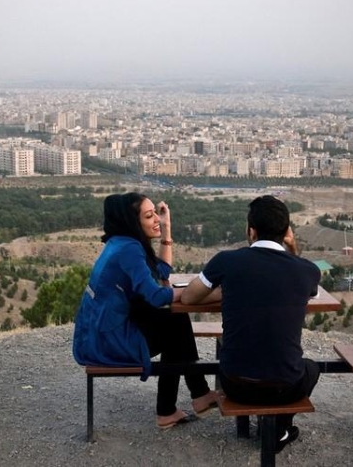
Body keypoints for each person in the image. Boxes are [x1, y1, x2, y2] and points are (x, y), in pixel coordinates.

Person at [180, 195, 320, 452]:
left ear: (250, 231)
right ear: (287, 231)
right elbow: (306, 286)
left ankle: (271, 429)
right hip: (286, 386)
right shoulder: (308, 270)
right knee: (312, 367)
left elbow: (189, 297)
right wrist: (293, 248)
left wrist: (230, 289)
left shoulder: (226, 261)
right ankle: (280, 428)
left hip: (235, 384)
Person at [73, 192, 220, 429]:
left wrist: (167, 228)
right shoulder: (128, 249)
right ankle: (192, 397)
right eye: (149, 216)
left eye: (156, 215)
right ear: (133, 221)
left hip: (101, 331)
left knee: (175, 322)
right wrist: (195, 292)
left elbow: (161, 271)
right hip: (108, 340)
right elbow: (155, 295)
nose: (157, 221)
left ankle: (180, 404)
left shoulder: (122, 242)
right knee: (176, 324)